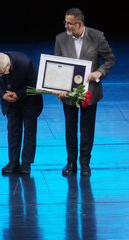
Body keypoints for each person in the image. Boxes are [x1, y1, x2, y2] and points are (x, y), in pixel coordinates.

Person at [55, 8, 115, 176]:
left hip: (90, 91)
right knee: (70, 128)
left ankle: (85, 164)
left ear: (80, 24)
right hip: (68, 92)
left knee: (87, 129)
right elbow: (58, 66)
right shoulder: (60, 39)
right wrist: (59, 89)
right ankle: (71, 163)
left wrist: (99, 72)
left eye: (69, 23)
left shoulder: (97, 36)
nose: (66, 26)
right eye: (65, 22)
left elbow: (110, 59)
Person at [0, 52, 43, 174]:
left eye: (2, 73)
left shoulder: (25, 64)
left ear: (8, 65)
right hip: (10, 100)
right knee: (13, 130)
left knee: (30, 131)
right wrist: (3, 95)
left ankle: (26, 163)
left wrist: (18, 95)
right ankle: (13, 161)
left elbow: (35, 84)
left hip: (29, 100)